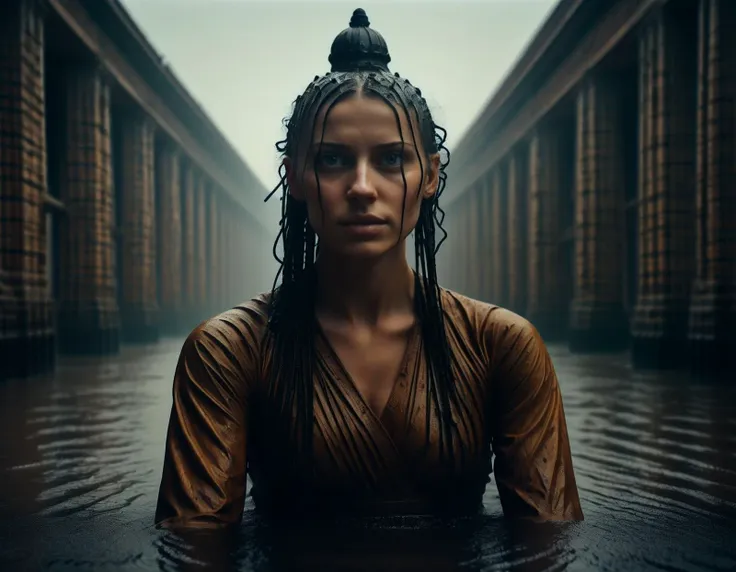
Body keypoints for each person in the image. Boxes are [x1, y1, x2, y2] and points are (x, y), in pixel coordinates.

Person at [154, 8, 583, 529]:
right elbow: (194, 545)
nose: (361, 187)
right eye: (332, 160)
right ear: (293, 176)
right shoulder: (228, 352)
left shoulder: (502, 346)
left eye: (390, 159)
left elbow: (548, 542)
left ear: (431, 176)